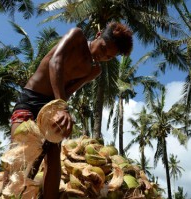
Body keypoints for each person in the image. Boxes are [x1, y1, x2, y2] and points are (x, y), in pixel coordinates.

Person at [10, 21, 133, 199]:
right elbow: (55, 62)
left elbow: (68, 92)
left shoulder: (94, 70)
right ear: (98, 36)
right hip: (31, 100)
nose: (103, 56)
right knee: (21, 157)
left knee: (53, 156)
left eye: (109, 57)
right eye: (103, 49)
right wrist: (61, 106)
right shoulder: (77, 36)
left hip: (53, 108)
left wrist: (61, 110)